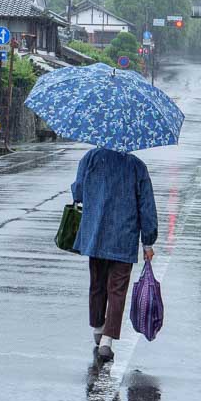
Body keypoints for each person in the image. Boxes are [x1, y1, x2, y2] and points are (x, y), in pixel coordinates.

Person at [71, 146, 157, 361]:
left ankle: (98, 328)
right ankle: (108, 339)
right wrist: (148, 241)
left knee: (97, 283)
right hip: (124, 237)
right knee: (117, 289)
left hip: (96, 233)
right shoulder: (137, 166)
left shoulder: (90, 158)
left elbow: (78, 192)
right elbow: (147, 207)